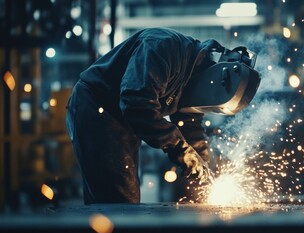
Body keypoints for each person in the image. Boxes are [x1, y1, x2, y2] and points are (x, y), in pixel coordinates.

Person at [65, 27, 259, 204]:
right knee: (118, 200)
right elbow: (135, 103)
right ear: (216, 74)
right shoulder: (163, 48)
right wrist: (181, 150)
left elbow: (188, 121)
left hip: (120, 119)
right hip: (97, 109)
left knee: (126, 195)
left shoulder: (192, 77)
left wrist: (204, 165)